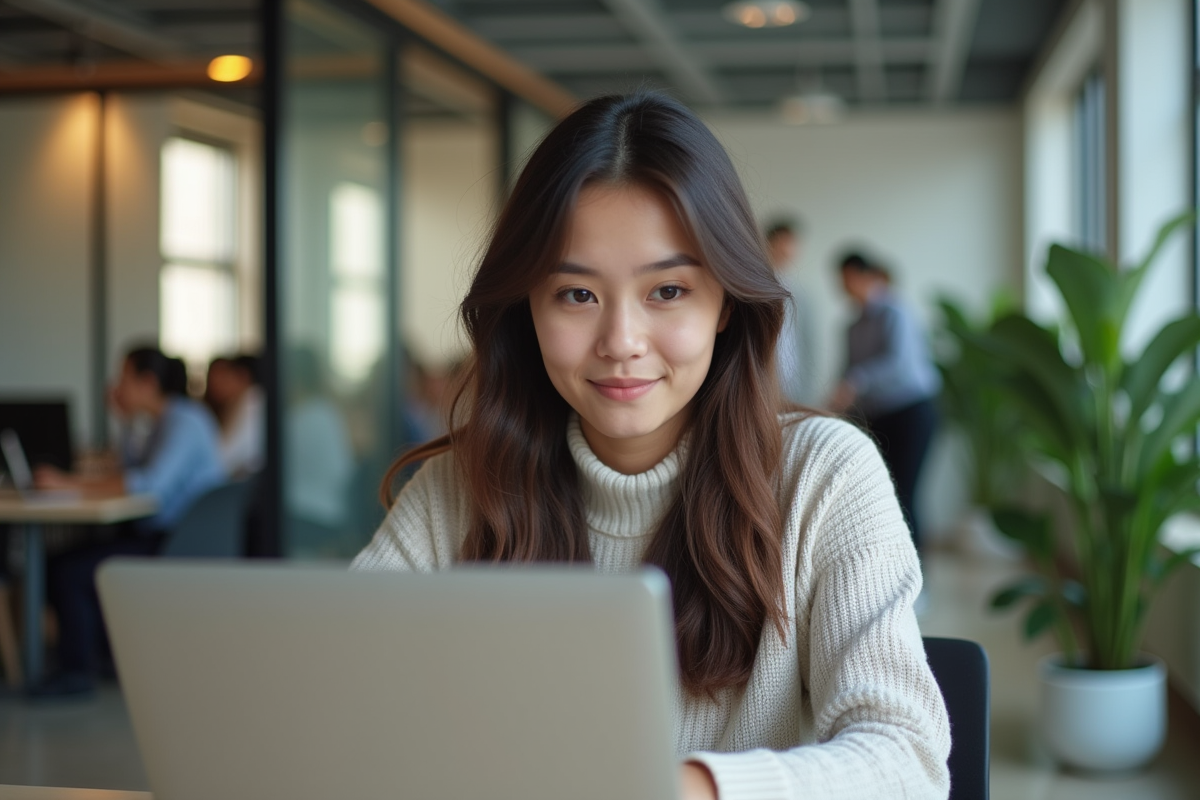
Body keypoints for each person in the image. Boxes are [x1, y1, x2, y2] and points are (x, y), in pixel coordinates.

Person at [352, 93, 950, 799]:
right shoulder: (460, 491)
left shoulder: (826, 476)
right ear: (528, 312)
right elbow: (328, 710)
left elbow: (907, 758)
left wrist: (686, 789)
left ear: (725, 302)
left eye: (666, 290)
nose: (621, 343)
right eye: (576, 295)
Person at [32, 345, 226, 697]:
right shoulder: (163, 421)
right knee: (63, 560)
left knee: (69, 570)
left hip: (176, 541)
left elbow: (148, 486)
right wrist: (122, 421)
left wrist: (66, 484)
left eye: (123, 377)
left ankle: (77, 673)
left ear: (147, 381)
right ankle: (100, 657)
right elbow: (130, 469)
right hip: (163, 532)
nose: (116, 385)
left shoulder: (186, 422)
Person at [828, 253, 941, 553]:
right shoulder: (851, 327)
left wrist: (853, 383)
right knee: (882, 495)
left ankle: (918, 576)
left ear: (865, 276)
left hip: (912, 413)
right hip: (876, 417)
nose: (843, 287)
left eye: (846, 279)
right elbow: (846, 374)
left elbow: (899, 364)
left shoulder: (896, 312)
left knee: (906, 493)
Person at [765, 218, 818, 405]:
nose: (788, 249)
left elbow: (808, 341)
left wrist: (809, 384)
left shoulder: (802, 294)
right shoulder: (756, 288)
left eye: (792, 243)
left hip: (795, 383)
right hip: (765, 380)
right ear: (770, 244)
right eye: (783, 242)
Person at [205, 353, 265, 478]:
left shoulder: (251, 401)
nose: (213, 384)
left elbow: (223, 459)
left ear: (243, 376)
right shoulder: (242, 402)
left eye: (222, 377)